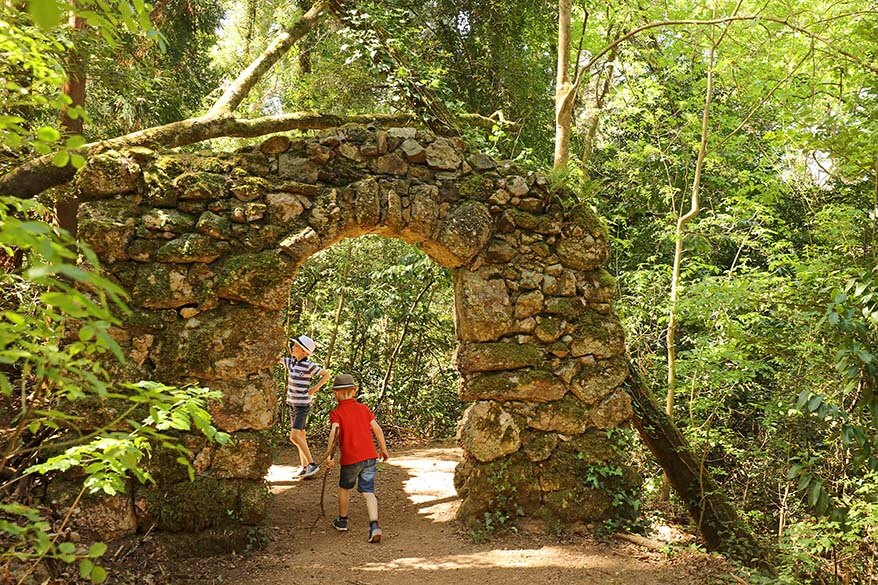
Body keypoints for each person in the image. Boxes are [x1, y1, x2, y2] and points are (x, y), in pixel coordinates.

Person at [325, 373, 389, 543]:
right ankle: (374, 525)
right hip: (369, 456)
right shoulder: (364, 409)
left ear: (335, 393)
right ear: (354, 391)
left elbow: (334, 432)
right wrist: (383, 449)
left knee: (344, 488)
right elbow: (377, 429)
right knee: (368, 491)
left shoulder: (336, 413)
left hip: (350, 459)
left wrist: (329, 456)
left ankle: (343, 520)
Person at [282, 334, 331, 479]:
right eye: (294, 345)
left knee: (294, 436)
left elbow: (326, 375)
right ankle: (304, 467)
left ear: (304, 351)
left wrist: (315, 389)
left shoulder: (309, 365)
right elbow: (274, 359)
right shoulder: (290, 362)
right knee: (301, 436)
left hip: (302, 406)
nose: (293, 347)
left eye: (296, 346)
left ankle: (311, 464)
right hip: (292, 404)